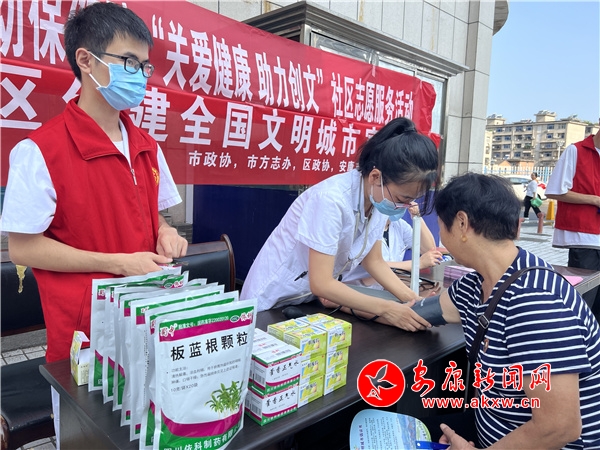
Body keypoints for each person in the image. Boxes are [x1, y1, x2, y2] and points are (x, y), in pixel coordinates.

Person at [1, 2, 189, 363]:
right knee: (89, 400)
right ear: (86, 60)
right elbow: (23, 249)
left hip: (150, 316)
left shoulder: (147, 146)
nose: (140, 75)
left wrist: (166, 231)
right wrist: (119, 264)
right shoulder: (40, 151)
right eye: (129, 62)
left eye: (145, 66)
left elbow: (152, 214)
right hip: (86, 330)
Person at [428, 173, 600, 448]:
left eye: (440, 225)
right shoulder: (477, 283)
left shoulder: (535, 302)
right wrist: (371, 306)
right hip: (491, 428)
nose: (441, 236)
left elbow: (559, 427)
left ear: (461, 223)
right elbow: (423, 311)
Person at [240, 117, 439, 332]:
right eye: (402, 199)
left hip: (305, 301)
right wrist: (387, 309)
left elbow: (374, 262)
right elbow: (322, 283)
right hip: (270, 301)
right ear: (375, 177)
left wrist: (413, 300)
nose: (404, 207)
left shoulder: (377, 199)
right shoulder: (331, 200)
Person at [546, 132, 600, 317]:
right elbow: (554, 190)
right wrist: (594, 200)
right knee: (585, 301)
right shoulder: (575, 150)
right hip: (584, 237)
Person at [342, 205, 443, 288]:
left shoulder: (399, 225)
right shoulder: (362, 227)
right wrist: (417, 264)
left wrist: (417, 217)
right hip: (358, 287)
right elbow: (375, 263)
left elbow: (429, 249)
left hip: (388, 287)